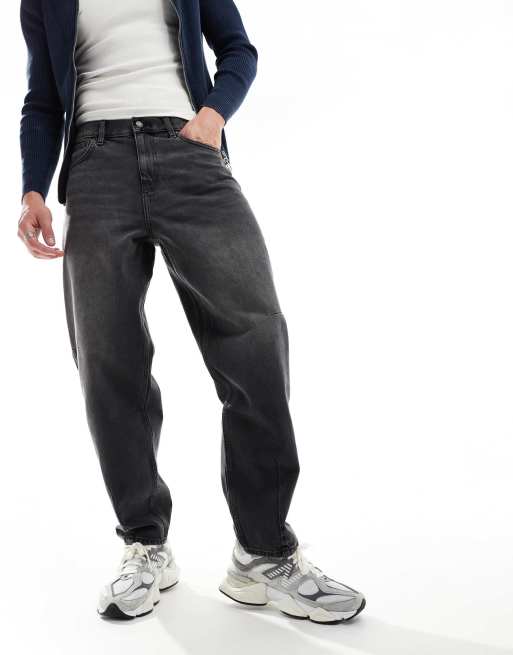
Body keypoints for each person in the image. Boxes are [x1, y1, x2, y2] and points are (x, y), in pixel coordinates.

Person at [18, 0, 365, 624]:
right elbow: (41, 99)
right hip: (95, 167)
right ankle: (145, 545)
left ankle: (263, 553)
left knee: (255, 340)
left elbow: (238, 50)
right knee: (108, 359)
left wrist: (212, 115)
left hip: (189, 151)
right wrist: (33, 189)